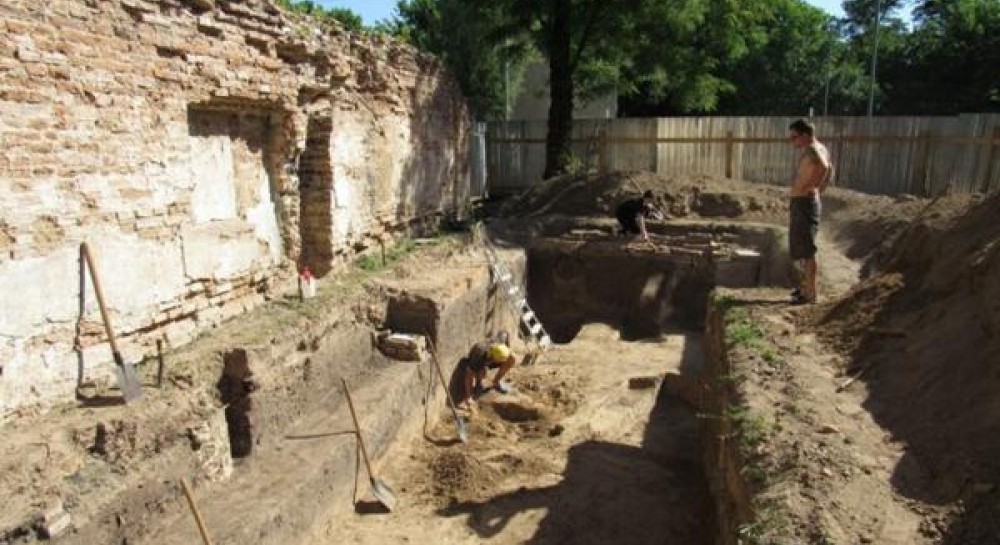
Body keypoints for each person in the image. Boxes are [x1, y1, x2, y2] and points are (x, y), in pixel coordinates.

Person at [787, 119, 834, 305]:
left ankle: (811, 294)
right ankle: (805, 289)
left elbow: (823, 167)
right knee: (802, 248)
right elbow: (830, 169)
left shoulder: (813, 149)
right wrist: (820, 188)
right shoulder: (821, 147)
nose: (792, 141)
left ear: (805, 135)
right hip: (804, 202)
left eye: (794, 137)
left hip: (805, 203)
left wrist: (812, 186)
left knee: (807, 250)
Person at [459, 331, 516, 409]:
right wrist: (469, 396)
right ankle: (476, 387)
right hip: (480, 360)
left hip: (491, 358)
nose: (502, 363)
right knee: (481, 374)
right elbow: (469, 375)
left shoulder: (501, 345)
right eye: (499, 361)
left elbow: (504, 333)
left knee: (512, 359)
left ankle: (496, 382)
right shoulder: (479, 353)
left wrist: (502, 359)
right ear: (493, 357)